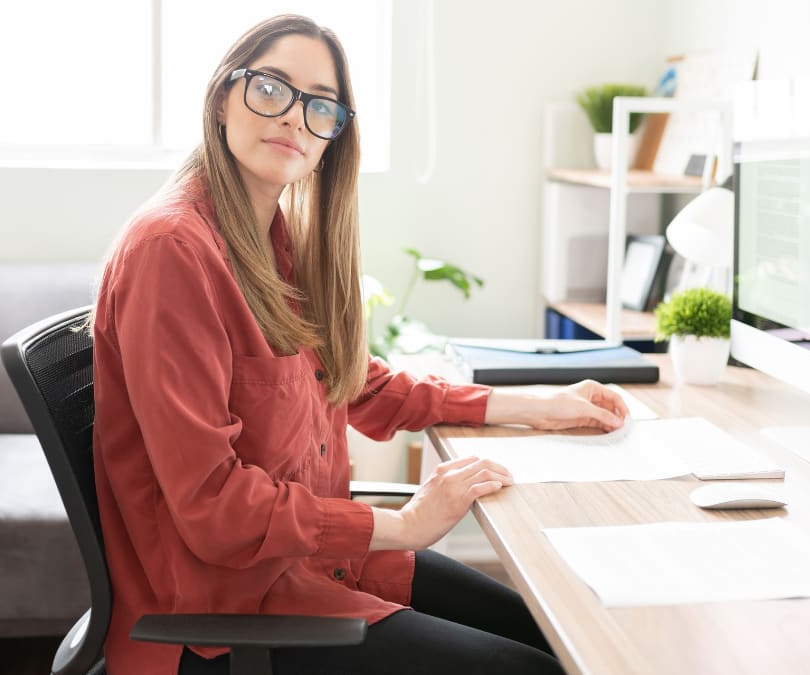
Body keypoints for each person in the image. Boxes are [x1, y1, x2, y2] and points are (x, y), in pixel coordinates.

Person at [89, 14, 629, 675]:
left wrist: (530, 404)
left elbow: (351, 383)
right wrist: (403, 524)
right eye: (271, 89)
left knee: (552, 631)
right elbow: (212, 505)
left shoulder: (268, 235)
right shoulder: (172, 250)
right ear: (223, 96)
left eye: (320, 106)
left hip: (305, 566)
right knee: (534, 667)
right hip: (221, 615)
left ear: (333, 137)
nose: (293, 117)